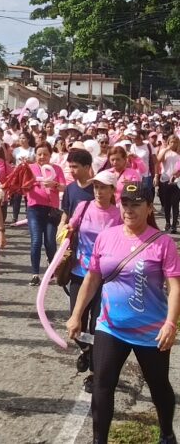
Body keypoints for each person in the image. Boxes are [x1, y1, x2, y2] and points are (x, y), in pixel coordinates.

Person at [66, 182, 179, 444]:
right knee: (102, 385)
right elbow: (92, 279)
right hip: (110, 326)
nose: (129, 209)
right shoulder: (107, 236)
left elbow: (175, 288)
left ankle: (166, 434)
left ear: (150, 207)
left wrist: (170, 324)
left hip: (150, 330)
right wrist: (76, 314)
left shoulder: (163, 244)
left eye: (136, 204)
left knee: (159, 386)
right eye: (125, 203)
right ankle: (99, 440)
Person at [63, 170, 121, 393]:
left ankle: (94, 373)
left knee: (98, 324)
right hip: (80, 272)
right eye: (96, 187)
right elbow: (70, 226)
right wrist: (66, 230)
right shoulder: (83, 207)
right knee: (75, 320)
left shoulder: (117, 214)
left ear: (112, 190)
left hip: (105, 277)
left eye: (103, 187)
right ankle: (86, 350)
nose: (98, 191)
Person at [25, 142, 66, 286]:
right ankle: (35, 274)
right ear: (35, 155)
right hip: (34, 209)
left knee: (50, 241)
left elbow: (64, 187)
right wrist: (29, 185)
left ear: (50, 155)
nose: (42, 157)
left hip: (51, 211)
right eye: (39, 154)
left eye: (45, 154)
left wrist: (54, 184)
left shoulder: (56, 169)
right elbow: (22, 187)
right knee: (36, 240)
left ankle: (52, 271)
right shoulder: (30, 168)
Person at [59, 149, 94, 227]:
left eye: (75, 167)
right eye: (70, 167)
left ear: (86, 167)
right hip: (73, 234)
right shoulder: (69, 188)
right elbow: (66, 211)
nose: (71, 170)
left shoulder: (98, 188)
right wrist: (62, 224)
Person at [155, 135, 180, 233]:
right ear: (168, 142)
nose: (174, 144)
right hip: (165, 180)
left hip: (176, 181)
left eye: (176, 142)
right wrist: (166, 149)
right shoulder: (165, 152)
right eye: (172, 142)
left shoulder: (178, 153)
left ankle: (174, 225)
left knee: (175, 204)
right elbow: (158, 160)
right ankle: (167, 222)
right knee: (167, 204)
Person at [10, 131, 36, 223]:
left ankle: (28, 215)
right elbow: (13, 161)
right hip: (18, 174)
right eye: (20, 138)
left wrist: (30, 162)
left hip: (28, 174)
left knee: (27, 196)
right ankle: (14, 216)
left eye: (24, 138)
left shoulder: (33, 150)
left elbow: (36, 163)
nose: (22, 140)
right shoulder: (16, 150)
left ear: (28, 139)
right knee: (17, 196)